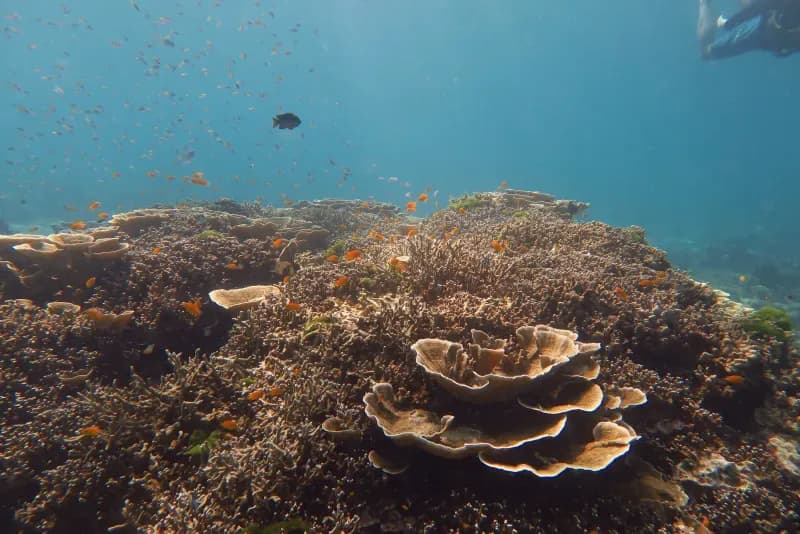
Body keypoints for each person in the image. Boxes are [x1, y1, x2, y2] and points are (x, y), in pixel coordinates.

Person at [697, 0, 800, 59]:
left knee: (706, 52)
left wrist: (728, 24)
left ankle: (703, 2)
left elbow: (758, 8)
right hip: (781, 41)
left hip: (764, 32)